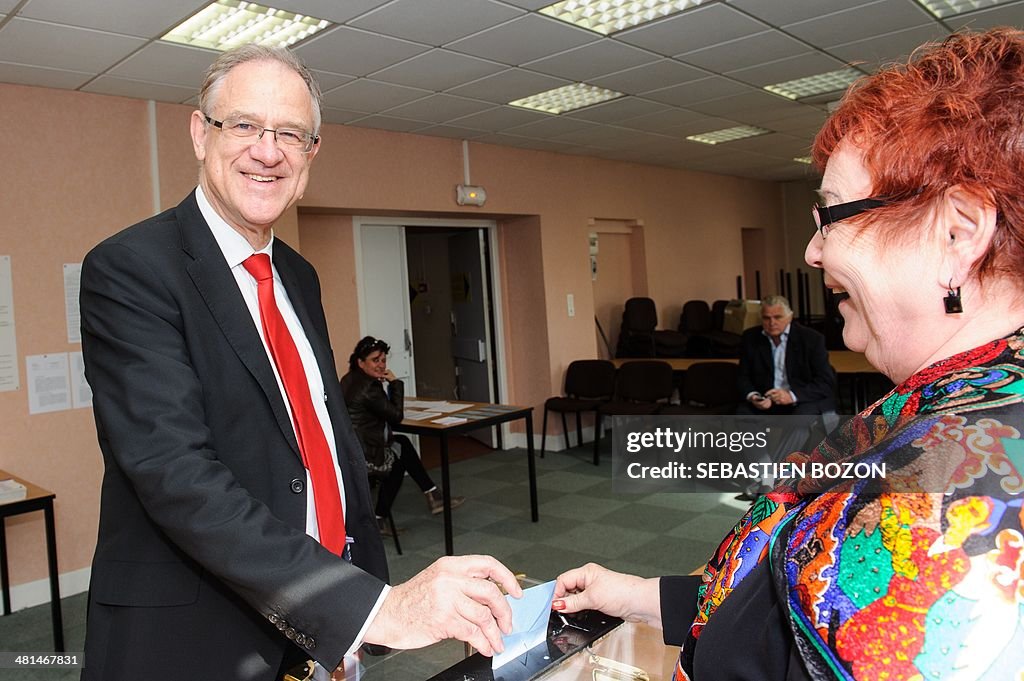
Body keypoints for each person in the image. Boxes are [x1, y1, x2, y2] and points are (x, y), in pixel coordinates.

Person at [554, 28, 1024, 680]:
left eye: (831, 215)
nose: (813, 251)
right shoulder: (944, 398)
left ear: (957, 232)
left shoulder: (953, 487)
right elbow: (790, 599)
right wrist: (637, 596)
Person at [79, 44, 520, 681]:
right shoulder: (132, 269)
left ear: (312, 154)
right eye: (245, 125)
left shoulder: (297, 274)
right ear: (201, 133)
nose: (268, 150)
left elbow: (316, 439)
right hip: (199, 632)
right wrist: (374, 607)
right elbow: (174, 473)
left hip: (319, 625)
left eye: (291, 133)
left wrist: (351, 597)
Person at [341, 336, 465, 534]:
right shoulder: (369, 388)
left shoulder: (350, 379)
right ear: (360, 362)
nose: (381, 365)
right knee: (399, 461)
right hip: (366, 454)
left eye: (383, 360)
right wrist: (395, 384)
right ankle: (383, 517)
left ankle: (432, 496)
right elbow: (396, 416)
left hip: (353, 448)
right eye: (375, 360)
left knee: (403, 444)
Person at [737, 294, 835, 416]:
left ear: (790, 317)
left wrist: (791, 396)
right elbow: (743, 377)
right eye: (766, 318)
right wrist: (754, 396)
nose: (772, 323)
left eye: (778, 317)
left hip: (801, 399)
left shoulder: (811, 339)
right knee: (742, 415)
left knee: (799, 421)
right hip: (766, 399)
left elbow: (825, 382)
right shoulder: (750, 338)